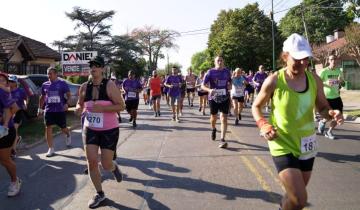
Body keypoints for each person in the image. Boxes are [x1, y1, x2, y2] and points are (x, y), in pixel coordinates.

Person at [252, 33, 344, 210]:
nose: (303, 63)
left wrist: (332, 114)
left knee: (294, 200)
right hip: (282, 143)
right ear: (285, 56)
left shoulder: (314, 80)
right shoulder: (274, 81)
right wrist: (263, 125)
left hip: (307, 144)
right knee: (300, 199)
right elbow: (256, 106)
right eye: (298, 58)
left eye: (306, 59)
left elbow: (323, 108)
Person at [75, 56, 125, 208]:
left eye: (97, 65)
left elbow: (121, 106)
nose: (93, 68)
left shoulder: (109, 86)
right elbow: (80, 102)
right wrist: (78, 107)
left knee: (106, 163)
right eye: (91, 66)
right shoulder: (84, 86)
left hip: (109, 130)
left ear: (102, 69)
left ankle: (113, 167)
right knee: (91, 161)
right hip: (90, 129)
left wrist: (103, 108)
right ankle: (100, 194)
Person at [38, 67, 71, 157]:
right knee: (48, 127)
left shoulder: (62, 83)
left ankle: (68, 134)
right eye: (48, 73)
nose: (49, 75)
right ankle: (51, 149)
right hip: (49, 110)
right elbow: (42, 97)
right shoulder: (45, 84)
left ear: (56, 74)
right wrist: (40, 109)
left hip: (60, 110)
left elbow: (69, 95)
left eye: (51, 73)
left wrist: (67, 104)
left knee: (63, 128)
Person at [201, 56, 232, 148]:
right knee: (213, 118)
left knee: (223, 118)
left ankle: (222, 139)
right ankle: (214, 128)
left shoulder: (227, 71)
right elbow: (202, 86)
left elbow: (230, 82)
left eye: (221, 60)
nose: (219, 62)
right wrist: (209, 90)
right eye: (218, 60)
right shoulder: (210, 72)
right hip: (213, 98)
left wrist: (230, 86)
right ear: (215, 62)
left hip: (224, 97)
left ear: (223, 62)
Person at [0, 72, 21, 197]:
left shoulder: (2, 92)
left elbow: (14, 108)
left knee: (5, 160)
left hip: (5, 131)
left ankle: (15, 181)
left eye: (2, 80)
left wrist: (5, 123)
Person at [317, 55, 345, 140]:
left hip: (336, 97)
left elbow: (343, 84)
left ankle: (329, 131)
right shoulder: (324, 71)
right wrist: (326, 83)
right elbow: (317, 82)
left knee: (338, 116)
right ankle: (322, 122)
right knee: (328, 117)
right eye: (332, 59)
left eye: (335, 59)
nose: (333, 61)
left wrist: (341, 81)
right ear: (329, 61)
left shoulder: (339, 71)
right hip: (327, 98)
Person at [8, 75, 28, 159]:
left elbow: (26, 98)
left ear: (16, 83)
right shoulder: (7, 91)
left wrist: (26, 104)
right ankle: (17, 139)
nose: (10, 83)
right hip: (9, 112)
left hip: (18, 112)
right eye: (9, 81)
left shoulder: (20, 91)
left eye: (12, 82)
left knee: (14, 129)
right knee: (10, 131)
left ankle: (13, 151)